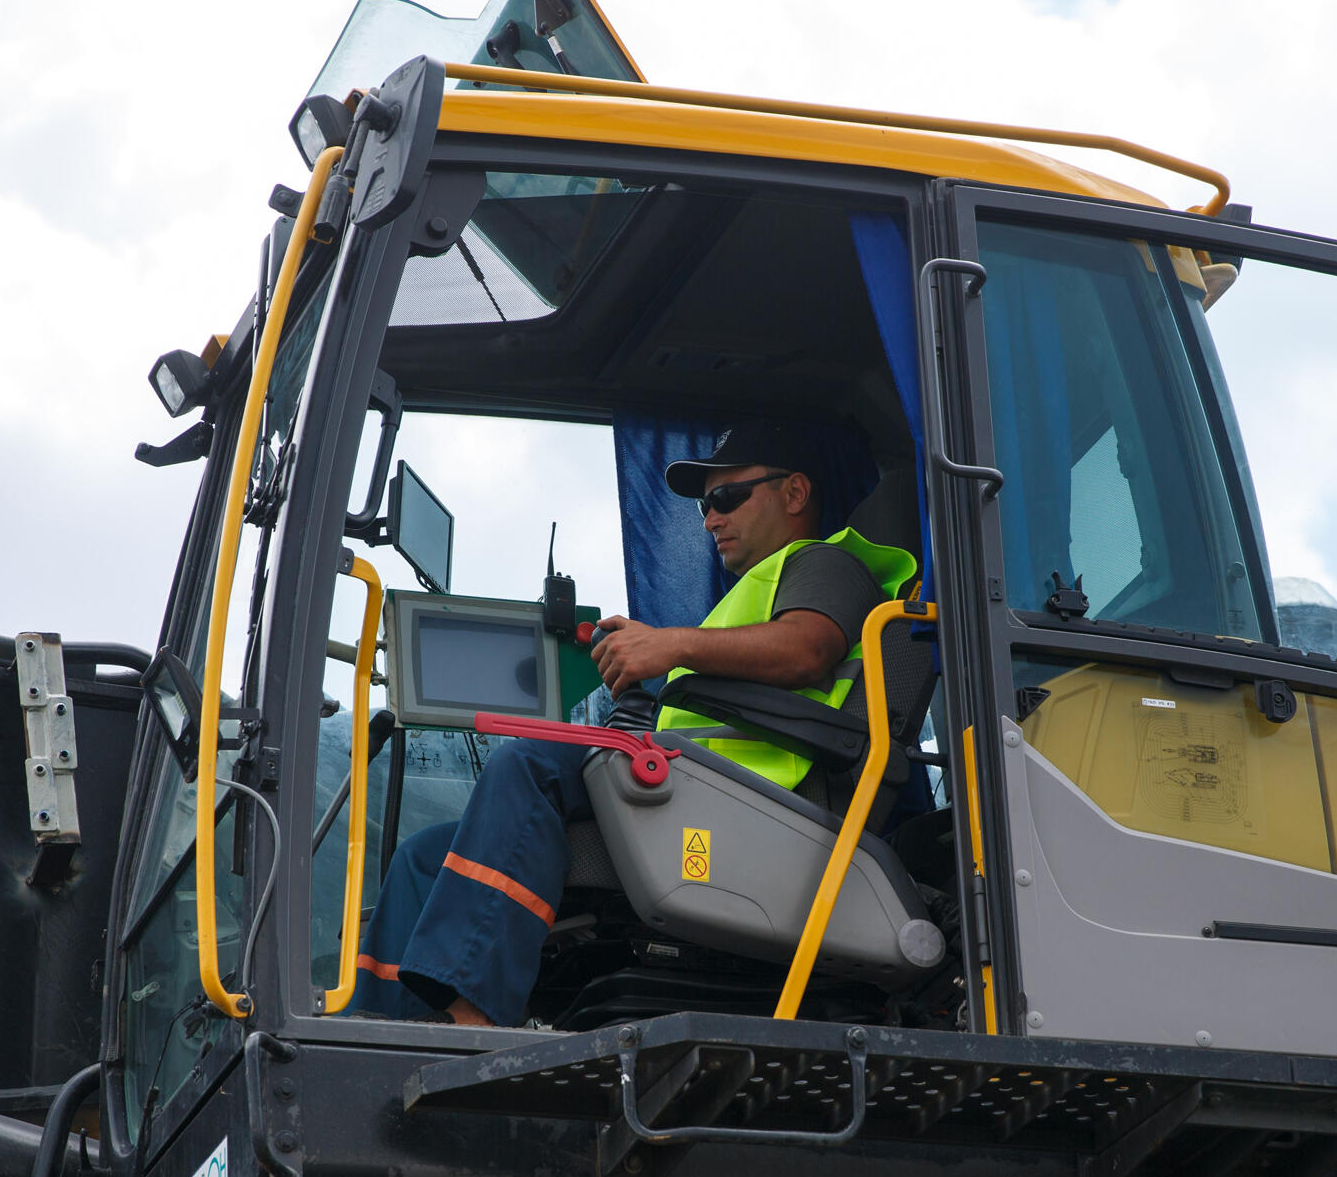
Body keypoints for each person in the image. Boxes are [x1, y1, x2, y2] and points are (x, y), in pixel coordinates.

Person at [349, 421, 916, 1026]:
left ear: (795, 494)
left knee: (529, 762)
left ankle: (473, 1021)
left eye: (727, 498)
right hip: (692, 786)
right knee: (422, 860)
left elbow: (806, 651)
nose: (710, 520)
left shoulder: (823, 564)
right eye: (704, 505)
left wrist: (668, 645)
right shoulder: (750, 595)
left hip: (749, 807)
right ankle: (380, 1031)